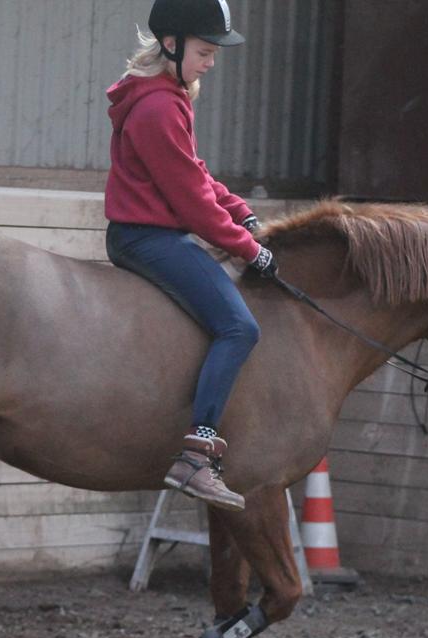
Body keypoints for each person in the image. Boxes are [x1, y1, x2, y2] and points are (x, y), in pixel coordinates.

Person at [104, 0, 276, 513]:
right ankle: (197, 454)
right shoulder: (158, 107)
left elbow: (196, 174)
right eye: (204, 51)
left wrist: (240, 211)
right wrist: (251, 251)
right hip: (149, 238)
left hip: (153, 232)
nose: (211, 62)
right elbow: (191, 201)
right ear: (172, 45)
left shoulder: (167, 97)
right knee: (239, 327)